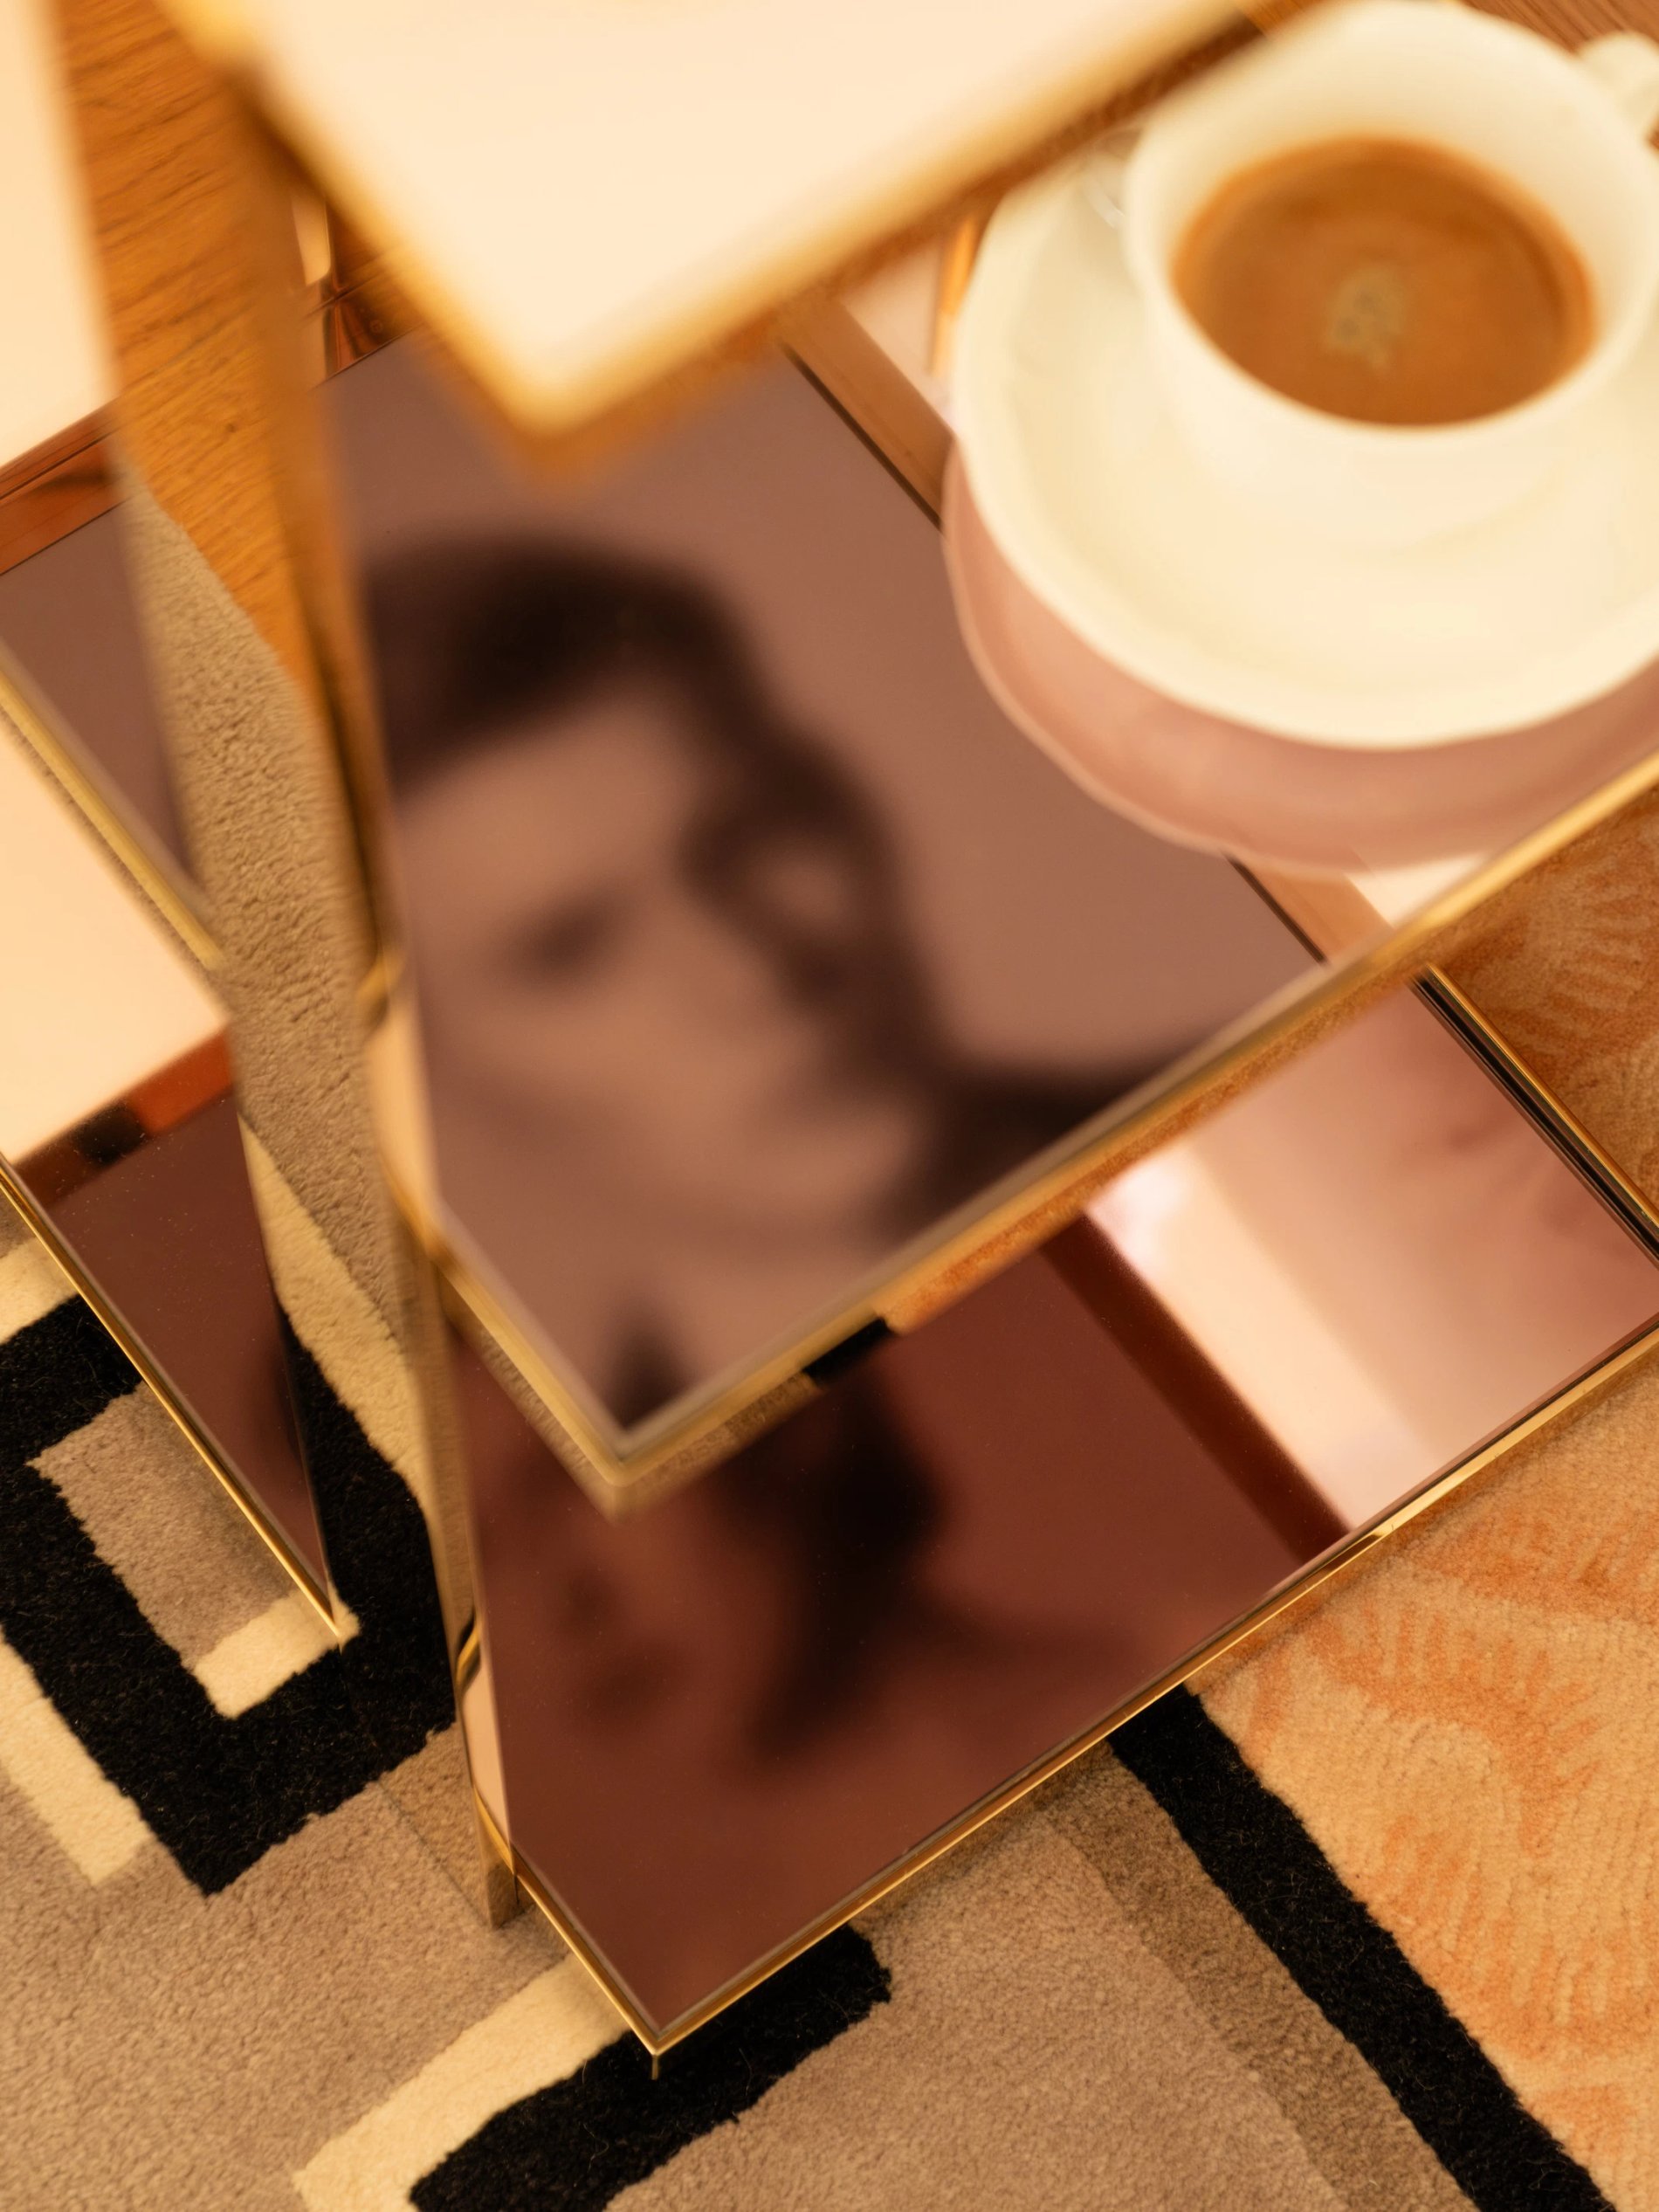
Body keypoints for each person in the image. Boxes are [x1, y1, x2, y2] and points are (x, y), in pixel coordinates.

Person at [369, 540, 1158, 1425]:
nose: (751, 973)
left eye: (748, 837)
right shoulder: (641, 1509)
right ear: (435, 1082)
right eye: (572, 951)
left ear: (850, 805)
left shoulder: (1269, 1115)